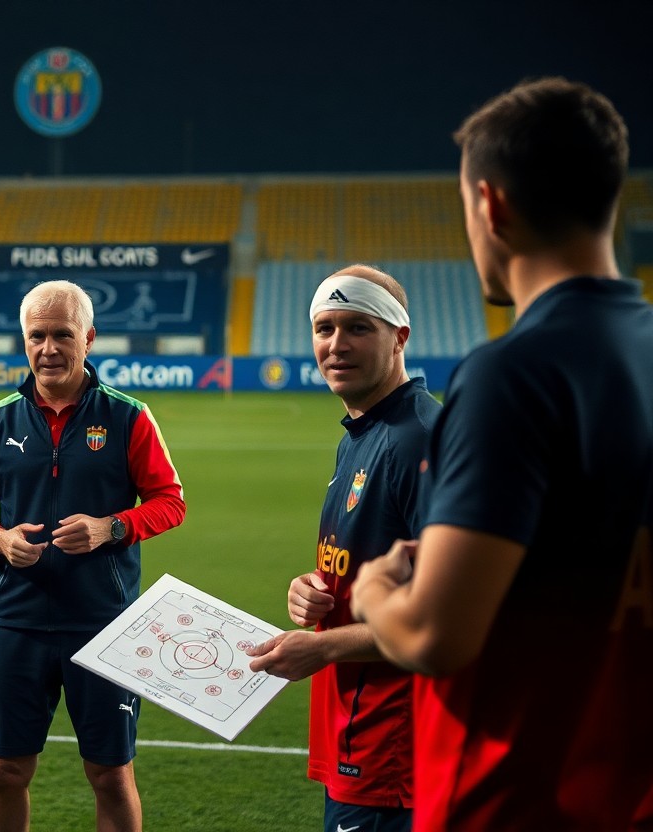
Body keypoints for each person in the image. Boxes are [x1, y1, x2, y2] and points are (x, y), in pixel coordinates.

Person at [350, 76, 653, 829]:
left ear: (490, 206)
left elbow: (434, 635)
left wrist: (376, 592)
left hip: (516, 798)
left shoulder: (513, 372)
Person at [0, 279, 186, 832]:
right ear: (23, 340)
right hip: (17, 622)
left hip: (104, 624)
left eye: (62, 335)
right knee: (5, 772)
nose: (48, 348)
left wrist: (112, 527)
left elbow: (170, 502)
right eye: (37, 336)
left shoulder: (130, 417)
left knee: (110, 774)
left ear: (89, 338)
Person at [247, 265, 440, 831]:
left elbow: (444, 615)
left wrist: (325, 649)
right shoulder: (361, 436)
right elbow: (371, 564)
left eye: (357, 327)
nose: (336, 345)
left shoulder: (418, 441)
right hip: (357, 732)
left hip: (398, 747)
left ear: (400, 336)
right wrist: (314, 588)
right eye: (324, 328)